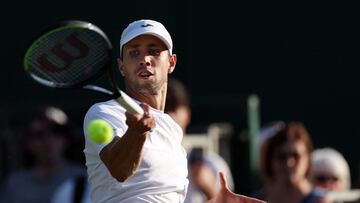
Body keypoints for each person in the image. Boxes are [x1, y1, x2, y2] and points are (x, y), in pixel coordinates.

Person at [83, 19, 265, 203]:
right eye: (134, 52)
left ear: (171, 63)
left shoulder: (172, 129)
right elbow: (120, 170)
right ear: (122, 66)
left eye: (153, 51)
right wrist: (136, 132)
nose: (145, 60)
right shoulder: (103, 113)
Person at [165, 77, 235, 202]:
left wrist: (210, 189)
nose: (169, 116)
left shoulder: (213, 164)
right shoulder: (139, 163)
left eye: (173, 108)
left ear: (187, 114)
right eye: (163, 110)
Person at [0, 105, 86, 203]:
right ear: (28, 143)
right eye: (39, 134)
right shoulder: (14, 184)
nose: (48, 141)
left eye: (56, 132)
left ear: (66, 139)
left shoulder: (83, 180)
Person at [255, 121, 330, 203]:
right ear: (270, 161)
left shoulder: (322, 200)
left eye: (296, 156)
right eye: (281, 157)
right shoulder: (252, 200)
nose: (289, 163)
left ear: (307, 159)